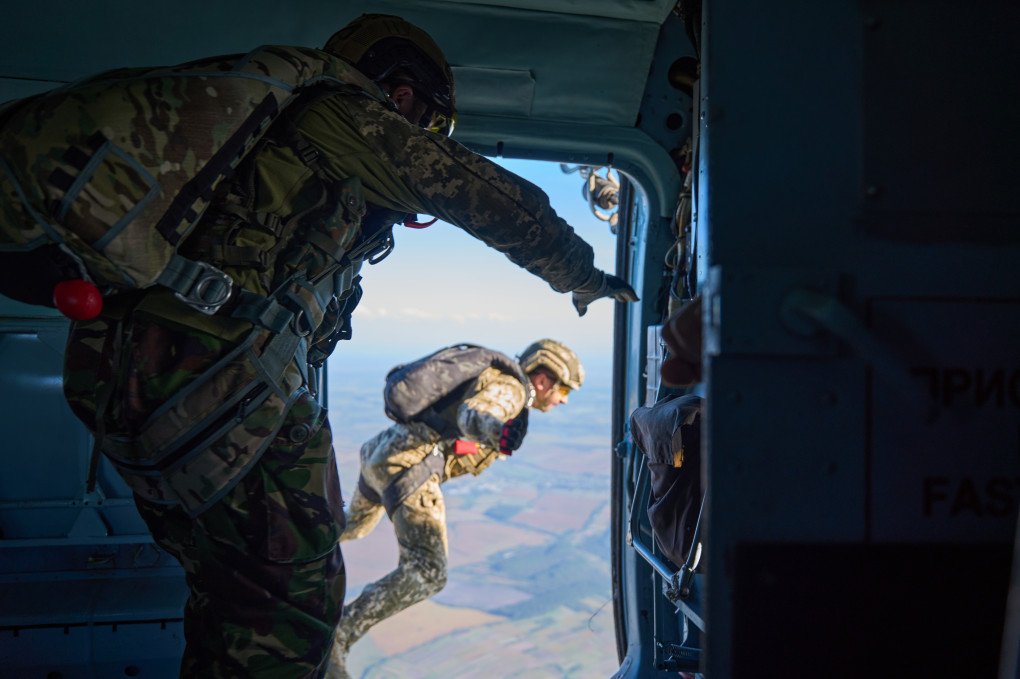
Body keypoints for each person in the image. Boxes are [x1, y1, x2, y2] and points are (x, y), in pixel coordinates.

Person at [1, 12, 639, 679]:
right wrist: (579, 270)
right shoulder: (341, 118)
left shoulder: (269, 141)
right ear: (400, 96)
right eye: (429, 122)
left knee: (233, 594)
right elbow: (478, 193)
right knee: (289, 618)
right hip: (215, 382)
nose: (423, 136)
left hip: (130, 380)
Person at [326, 339, 584, 678]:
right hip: (409, 467)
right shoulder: (512, 389)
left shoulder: (494, 378)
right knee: (428, 572)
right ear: (544, 378)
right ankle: (339, 636)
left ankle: (282, 548)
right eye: (563, 389)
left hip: (382, 453)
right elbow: (472, 415)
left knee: (348, 528)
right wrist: (498, 431)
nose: (562, 399)